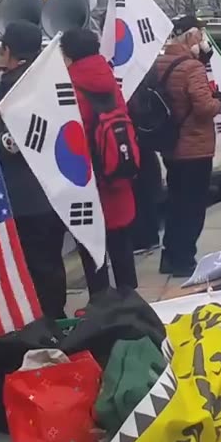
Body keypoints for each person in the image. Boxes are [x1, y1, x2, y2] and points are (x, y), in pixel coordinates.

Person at [0, 21, 67, 319]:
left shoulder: (16, 86)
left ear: (9, 50)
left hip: (26, 197)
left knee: (36, 266)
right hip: (51, 190)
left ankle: (48, 324)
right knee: (49, 262)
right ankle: (54, 318)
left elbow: (16, 141)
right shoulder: (46, 80)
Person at [60, 28, 140, 291]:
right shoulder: (108, 76)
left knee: (92, 244)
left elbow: (71, 133)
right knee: (121, 241)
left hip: (90, 177)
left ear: (69, 54)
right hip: (117, 168)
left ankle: (102, 304)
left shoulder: (69, 84)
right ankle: (130, 297)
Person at [151, 16, 221, 276]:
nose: (202, 40)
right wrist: (218, 100)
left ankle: (169, 256)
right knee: (192, 207)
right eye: (200, 35)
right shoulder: (192, 68)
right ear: (189, 37)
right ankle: (184, 260)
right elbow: (203, 107)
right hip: (194, 147)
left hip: (170, 145)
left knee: (175, 202)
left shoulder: (159, 62)